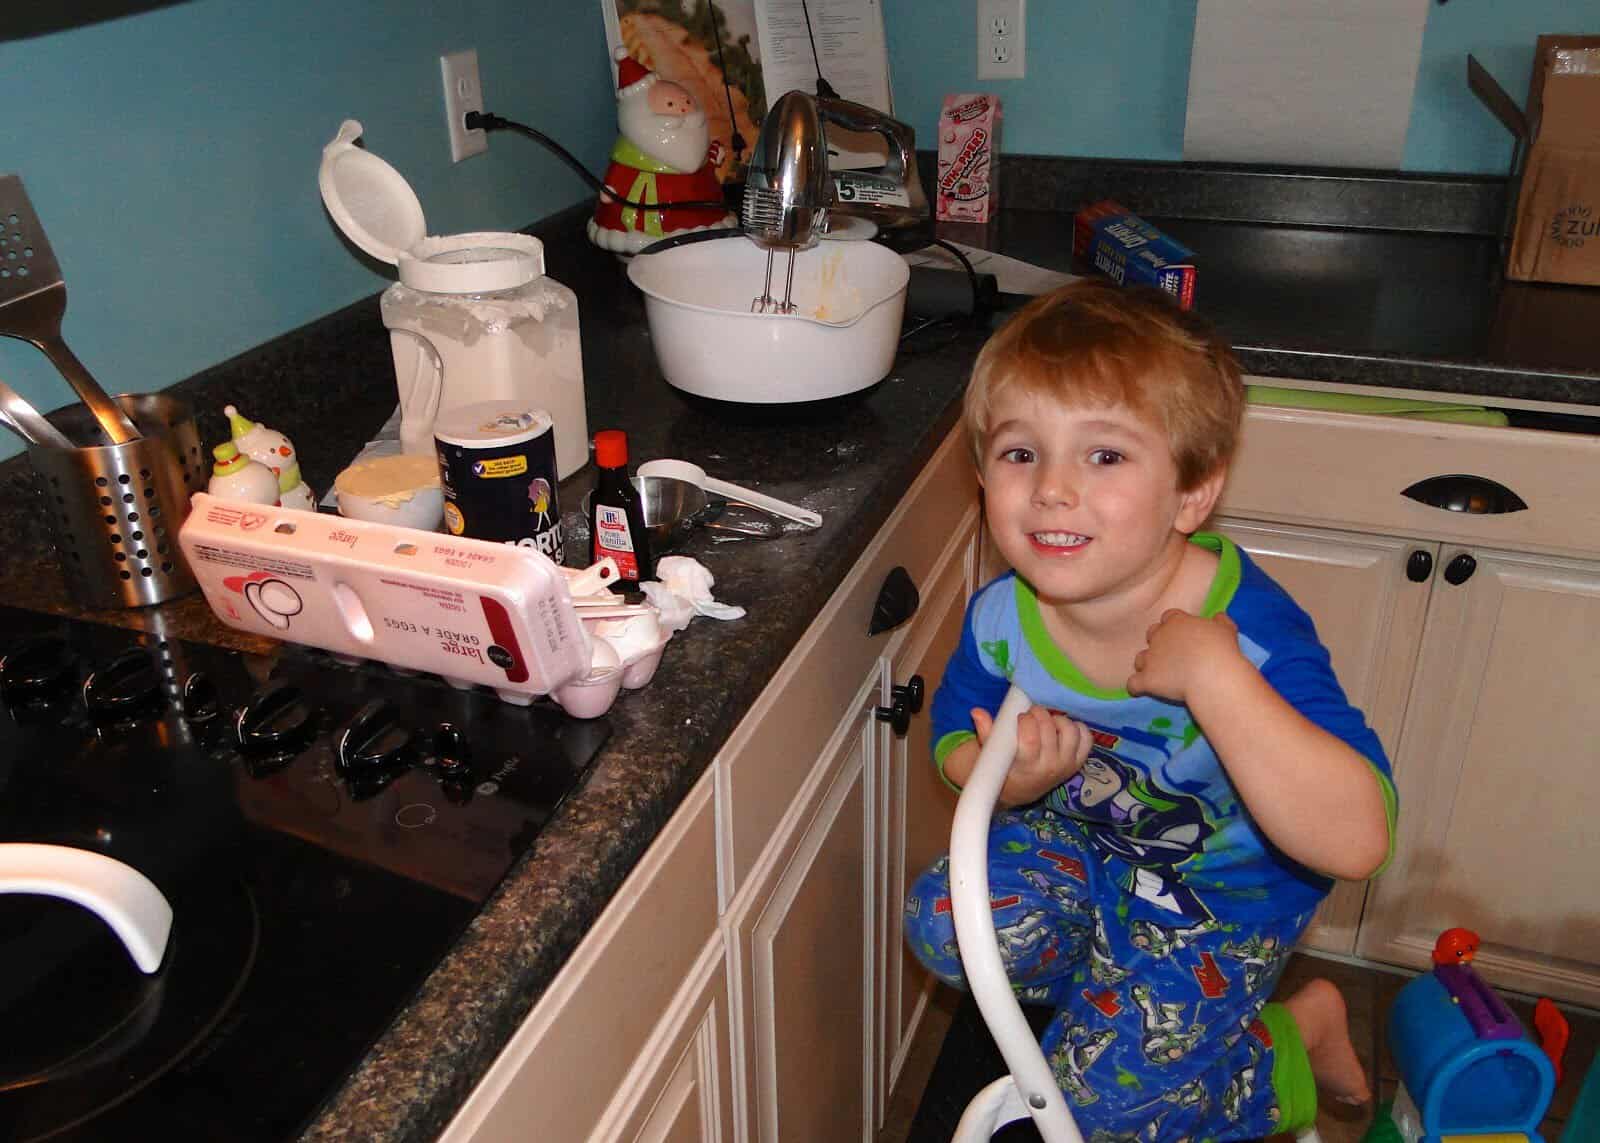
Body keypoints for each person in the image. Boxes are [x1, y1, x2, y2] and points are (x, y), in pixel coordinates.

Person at [903, 281, 1395, 1140]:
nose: (1052, 489)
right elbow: (955, 730)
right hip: (1095, 856)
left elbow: (1360, 837)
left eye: (1104, 456)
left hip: (1224, 896)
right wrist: (1007, 778)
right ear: (981, 474)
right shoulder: (1001, 618)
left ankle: (1283, 1038)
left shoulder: (1252, 630)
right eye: (1021, 453)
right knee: (945, 921)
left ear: (1193, 492)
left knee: (1100, 1107)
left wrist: (1220, 680)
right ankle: (1147, 1021)